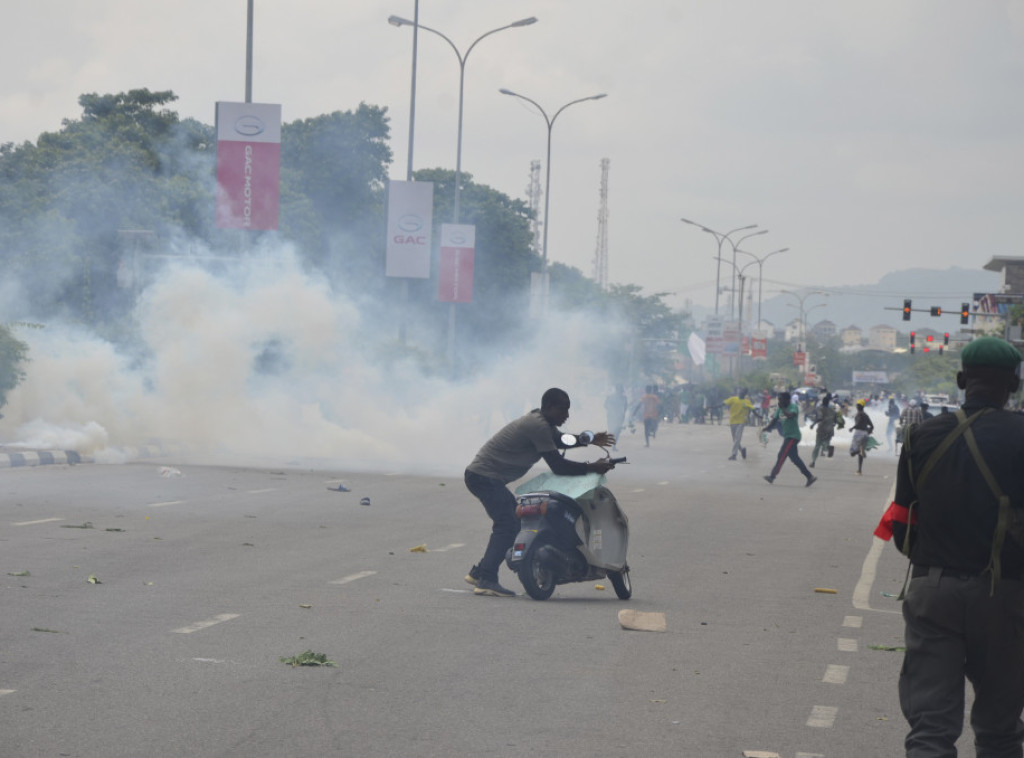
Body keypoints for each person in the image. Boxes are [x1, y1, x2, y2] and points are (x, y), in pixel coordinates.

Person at [873, 336, 1024, 757]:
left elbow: (902, 528)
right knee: (1000, 732)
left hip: (932, 593)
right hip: (1006, 598)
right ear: (1014, 384)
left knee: (931, 732)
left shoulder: (922, 436)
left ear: (960, 380)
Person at [464, 388, 615, 597]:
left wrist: (587, 439)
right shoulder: (537, 426)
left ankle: (480, 571)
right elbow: (558, 466)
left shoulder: (543, 423)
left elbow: (562, 440)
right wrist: (592, 467)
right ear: (550, 407)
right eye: (563, 410)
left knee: (510, 523)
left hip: (485, 477)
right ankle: (487, 578)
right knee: (508, 524)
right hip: (484, 477)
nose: (567, 416)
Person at [761, 391, 817, 487]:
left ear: (787, 400)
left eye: (781, 400)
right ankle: (810, 477)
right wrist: (766, 428)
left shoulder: (793, 407)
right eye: (779, 400)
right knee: (795, 459)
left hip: (793, 436)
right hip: (788, 436)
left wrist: (782, 408)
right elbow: (774, 420)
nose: (779, 401)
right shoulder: (779, 409)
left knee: (782, 455)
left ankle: (772, 476)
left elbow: (791, 415)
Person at [809, 395, 843, 467]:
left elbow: (820, 418)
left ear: (822, 402)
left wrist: (813, 424)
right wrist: (832, 424)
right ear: (828, 403)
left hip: (821, 429)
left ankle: (813, 461)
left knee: (817, 445)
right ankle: (828, 447)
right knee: (826, 442)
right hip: (830, 430)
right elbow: (836, 420)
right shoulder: (833, 411)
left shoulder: (820, 409)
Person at [723, 388, 755, 460]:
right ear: (738, 392)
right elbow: (723, 404)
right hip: (732, 421)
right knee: (735, 439)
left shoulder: (747, 401)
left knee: (737, 439)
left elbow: (753, 410)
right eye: (740, 391)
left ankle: (734, 455)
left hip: (741, 422)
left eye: (743, 392)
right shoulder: (733, 399)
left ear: (745, 394)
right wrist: (712, 407)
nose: (741, 393)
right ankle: (742, 449)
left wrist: (759, 416)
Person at [849, 400, 875, 475]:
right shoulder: (866, 415)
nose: (857, 406)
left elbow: (859, 423)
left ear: (858, 406)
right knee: (861, 453)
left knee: (852, 452)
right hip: (865, 434)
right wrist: (868, 431)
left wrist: (852, 428)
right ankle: (859, 470)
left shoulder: (859, 414)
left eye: (857, 405)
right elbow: (872, 426)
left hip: (858, 433)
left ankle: (859, 451)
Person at [604, 385, 628, 450]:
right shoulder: (623, 397)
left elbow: (605, 406)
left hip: (615, 416)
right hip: (616, 416)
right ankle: (613, 444)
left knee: (616, 431)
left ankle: (613, 444)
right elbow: (626, 407)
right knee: (615, 431)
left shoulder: (611, 396)